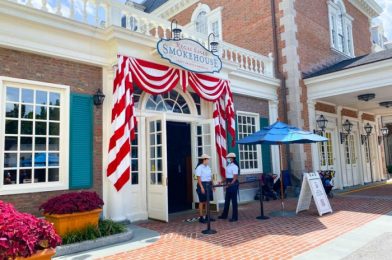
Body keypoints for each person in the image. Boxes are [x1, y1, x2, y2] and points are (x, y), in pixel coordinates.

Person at [218, 153, 239, 222]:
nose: (227, 159)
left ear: (232, 158)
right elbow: (227, 177)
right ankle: (224, 215)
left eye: (228, 158)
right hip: (228, 182)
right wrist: (221, 182)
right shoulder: (228, 166)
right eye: (227, 158)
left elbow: (235, 178)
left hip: (233, 184)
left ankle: (234, 217)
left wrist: (230, 184)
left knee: (234, 201)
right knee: (227, 200)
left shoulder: (235, 166)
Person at [195, 154, 215, 223]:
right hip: (202, 185)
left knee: (207, 201)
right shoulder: (199, 168)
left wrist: (213, 186)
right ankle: (201, 217)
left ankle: (207, 216)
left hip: (208, 184)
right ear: (204, 160)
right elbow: (199, 179)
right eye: (207, 159)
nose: (208, 161)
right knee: (202, 201)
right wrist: (201, 187)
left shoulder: (208, 167)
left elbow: (210, 177)